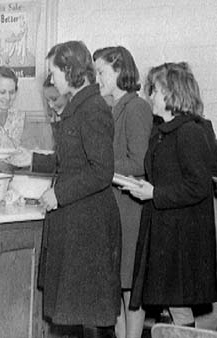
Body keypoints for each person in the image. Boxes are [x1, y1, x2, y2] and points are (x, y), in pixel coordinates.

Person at [38, 41, 121, 338]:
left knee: (91, 316)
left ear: (70, 70)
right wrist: (33, 160)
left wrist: (58, 194)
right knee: (73, 312)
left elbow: (101, 170)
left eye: (55, 72)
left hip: (88, 226)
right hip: (76, 222)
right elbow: (72, 161)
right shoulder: (79, 106)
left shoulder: (93, 108)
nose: (52, 80)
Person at [124, 62, 217, 327]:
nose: (150, 95)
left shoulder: (189, 132)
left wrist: (155, 193)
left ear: (171, 93)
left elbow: (198, 186)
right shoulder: (164, 131)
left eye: (154, 90)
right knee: (174, 306)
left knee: (179, 308)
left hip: (182, 236)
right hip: (167, 231)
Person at [93, 46, 152, 338]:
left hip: (130, 211)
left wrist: (101, 165)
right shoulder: (110, 107)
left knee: (130, 287)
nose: (97, 78)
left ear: (118, 71)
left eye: (101, 72)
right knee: (116, 286)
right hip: (113, 207)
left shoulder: (136, 107)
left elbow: (140, 161)